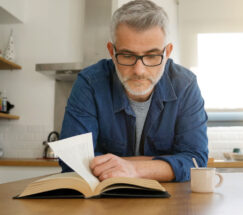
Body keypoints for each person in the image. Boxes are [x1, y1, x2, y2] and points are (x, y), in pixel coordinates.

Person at [59, 0, 208, 182]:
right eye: (127, 56)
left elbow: (195, 160)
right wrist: (160, 165)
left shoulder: (186, 85)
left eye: (152, 56)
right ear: (112, 52)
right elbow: (72, 162)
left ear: (167, 52)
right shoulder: (89, 83)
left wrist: (132, 168)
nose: (139, 70)